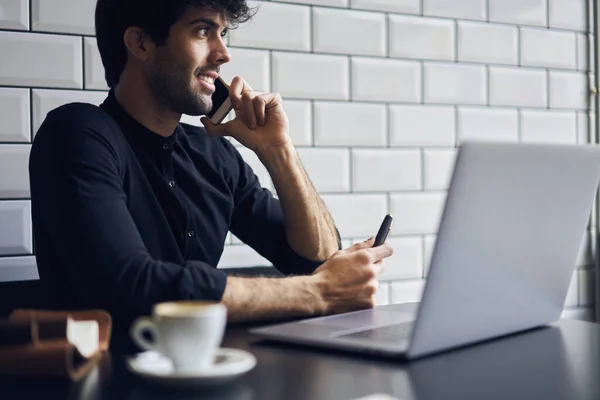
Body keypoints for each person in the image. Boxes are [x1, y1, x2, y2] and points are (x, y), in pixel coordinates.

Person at [28, 0, 393, 347]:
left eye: (223, 33)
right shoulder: (77, 133)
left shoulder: (212, 153)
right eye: (203, 31)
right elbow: (133, 288)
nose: (223, 54)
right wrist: (320, 292)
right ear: (140, 42)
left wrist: (278, 150)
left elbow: (316, 257)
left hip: (201, 377)